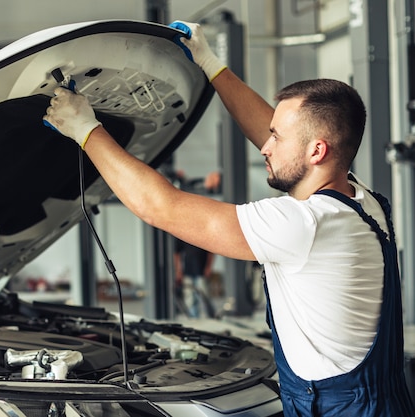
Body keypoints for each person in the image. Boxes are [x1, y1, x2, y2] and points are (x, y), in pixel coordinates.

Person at [43, 20, 414, 416]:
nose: (265, 147)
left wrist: (86, 129)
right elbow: (284, 140)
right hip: (383, 401)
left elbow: (162, 207)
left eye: (277, 138)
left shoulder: (304, 225)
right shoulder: (362, 200)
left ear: (317, 152)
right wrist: (210, 62)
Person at [173, 237, 216, 318]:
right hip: (187, 271)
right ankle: (193, 318)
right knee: (189, 298)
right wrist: (178, 271)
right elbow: (177, 254)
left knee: (205, 295)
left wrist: (209, 267)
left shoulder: (202, 233)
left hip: (201, 271)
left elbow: (211, 252)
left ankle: (211, 317)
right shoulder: (182, 234)